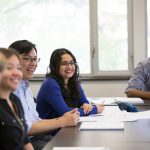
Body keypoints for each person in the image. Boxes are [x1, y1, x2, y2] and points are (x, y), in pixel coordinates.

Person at [9, 40, 79, 150]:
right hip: (23, 143)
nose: (33, 63)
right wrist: (61, 121)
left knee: (75, 144)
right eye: (26, 59)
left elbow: (36, 120)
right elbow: (26, 128)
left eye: (35, 59)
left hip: (36, 138)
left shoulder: (25, 86)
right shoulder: (9, 90)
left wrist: (63, 120)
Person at [36, 48, 104, 120]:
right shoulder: (50, 84)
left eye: (72, 63)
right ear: (55, 66)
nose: (69, 67)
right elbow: (66, 113)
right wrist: (95, 109)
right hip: (51, 129)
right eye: (64, 63)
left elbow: (84, 102)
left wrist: (86, 105)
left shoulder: (73, 80)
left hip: (66, 125)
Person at [0, 48, 33, 150]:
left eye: (18, 68)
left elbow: (25, 141)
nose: (17, 73)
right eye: (9, 68)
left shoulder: (14, 100)